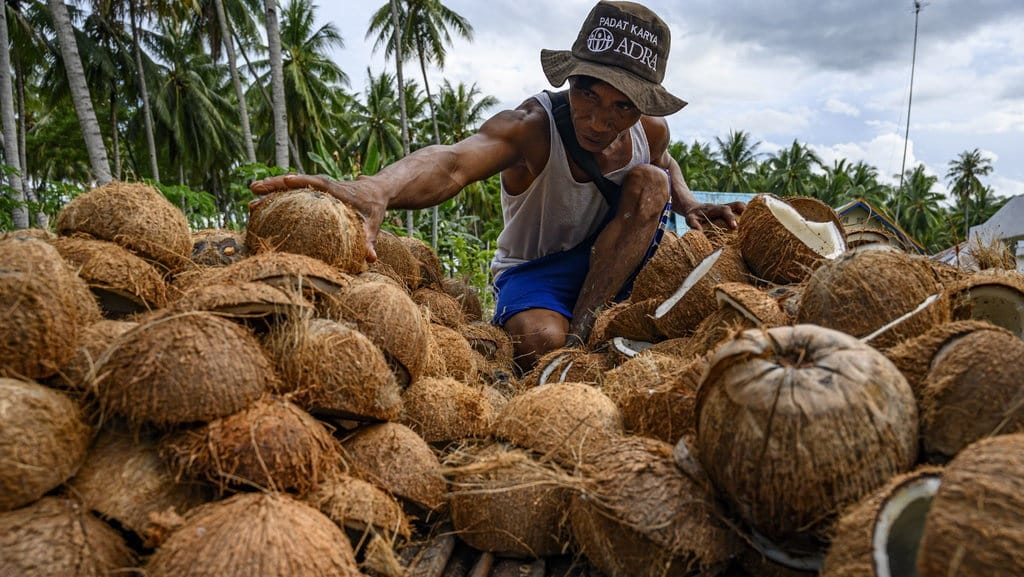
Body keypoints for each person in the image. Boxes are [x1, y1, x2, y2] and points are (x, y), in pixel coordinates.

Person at [251, 1, 742, 373]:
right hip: (535, 268)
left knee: (651, 181)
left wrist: (688, 201)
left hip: (612, 265)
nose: (598, 120)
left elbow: (663, 164)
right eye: (587, 94)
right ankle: (572, 341)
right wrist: (378, 187)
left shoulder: (650, 131)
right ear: (570, 80)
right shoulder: (531, 127)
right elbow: (453, 164)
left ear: (642, 108)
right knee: (540, 342)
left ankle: (586, 330)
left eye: (622, 107)